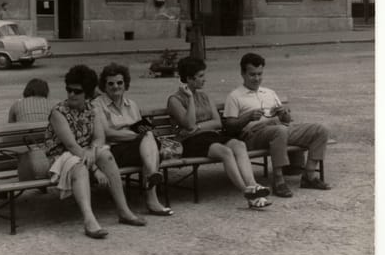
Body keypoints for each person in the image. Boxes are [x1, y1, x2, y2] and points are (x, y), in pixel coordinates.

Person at [45, 64, 146, 239]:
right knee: (79, 167)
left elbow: (99, 138)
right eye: (69, 90)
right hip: (62, 157)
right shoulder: (58, 112)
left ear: (87, 93)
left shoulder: (92, 109)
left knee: (106, 155)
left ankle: (124, 210)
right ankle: (89, 220)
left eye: (77, 91)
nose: (71, 95)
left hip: (85, 152)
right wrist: (94, 168)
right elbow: (71, 146)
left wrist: (92, 150)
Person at [167, 57, 272, 209]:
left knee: (239, 144)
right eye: (201, 76)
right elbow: (189, 125)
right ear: (189, 79)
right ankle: (247, 192)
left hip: (208, 136)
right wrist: (190, 98)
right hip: (190, 141)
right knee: (225, 152)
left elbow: (217, 122)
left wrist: (198, 127)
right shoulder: (174, 100)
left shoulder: (204, 96)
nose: (205, 79)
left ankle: (253, 184)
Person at [223, 52, 331, 198]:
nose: (257, 78)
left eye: (260, 74)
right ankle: (279, 180)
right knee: (279, 130)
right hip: (254, 136)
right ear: (242, 73)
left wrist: (284, 114)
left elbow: (286, 121)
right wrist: (247, 117)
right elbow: (229, 126)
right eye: (252, 74)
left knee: (320, 130)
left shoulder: (269, 92)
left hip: (279, 130)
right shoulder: (235, 96)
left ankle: (309, 176)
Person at [93, 63, 173, 216]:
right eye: (110, 83)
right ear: (104, 85)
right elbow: (107, 133)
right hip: (112, 152)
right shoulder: (97, 105)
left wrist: (141, 135)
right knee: (149, 141)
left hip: (136, 148)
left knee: (149, 139)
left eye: (119, 83)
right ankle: (152, 192)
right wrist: (138, 136)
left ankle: (150, 179)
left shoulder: (132, 105)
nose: (115, 86)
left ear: (125, 84)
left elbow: (139, 127)